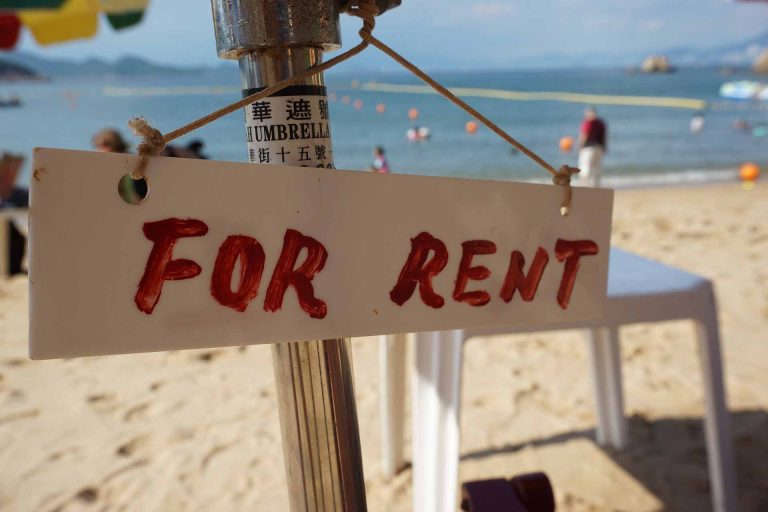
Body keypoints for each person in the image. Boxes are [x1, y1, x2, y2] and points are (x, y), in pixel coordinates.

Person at [577, 106, 607, 187]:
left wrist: (580, 146)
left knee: (585, 167)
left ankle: (584, 185)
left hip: (588, 148)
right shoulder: (601, 123)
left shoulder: (588, 123)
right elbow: (604, 137)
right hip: (599, 147)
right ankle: (596, 186)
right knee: (597, 168)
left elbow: (584, 135)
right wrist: (604, 147)